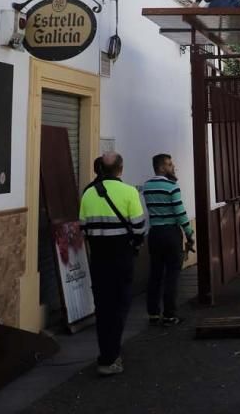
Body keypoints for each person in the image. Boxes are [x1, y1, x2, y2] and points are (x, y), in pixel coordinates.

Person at [79, 152, 146, 377]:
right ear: (121, 169)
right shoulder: (129, 192)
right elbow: (139, 227)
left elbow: (83, 228)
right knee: (120, 305)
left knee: (103, 307)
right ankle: (110, 355)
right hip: (122, 257)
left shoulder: (88, 193)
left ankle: (107, 353)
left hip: (98, 258)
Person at [143, 153, 194, 327]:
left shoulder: (147, 186)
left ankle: (153, 313)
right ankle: (170, 315)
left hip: (155, 233)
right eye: (170, 164)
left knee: (155, 274)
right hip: (171, 234)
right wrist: (189, 233)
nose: (173, 167)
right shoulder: (172, 186)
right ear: (161, 167)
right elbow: (179, 213)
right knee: (172, 275)